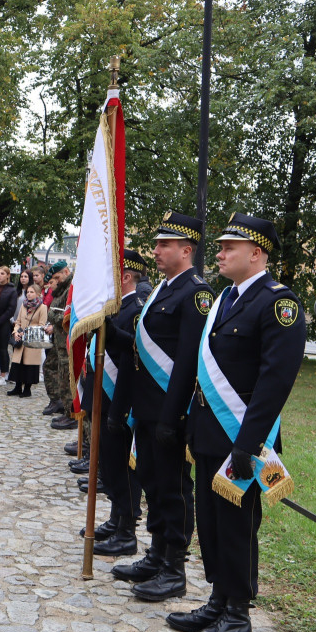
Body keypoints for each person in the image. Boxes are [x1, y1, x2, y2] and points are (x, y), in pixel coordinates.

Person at [169, 214, 305, 632]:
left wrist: (248, 444)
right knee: (209, 522)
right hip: (209, 430)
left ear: (257, 253)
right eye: (222, 246)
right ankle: (218, 598)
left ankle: (238, 614)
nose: (221, 253)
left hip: (242, 436)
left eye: (230, 247)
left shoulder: (279, 305)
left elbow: (274, 382)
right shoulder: (226, 298)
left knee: (236, 525)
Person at [110, 211, 214, 604]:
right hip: (147, 409)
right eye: (156, 244)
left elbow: (189, 360)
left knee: (173, 489)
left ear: (186, 250)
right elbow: (139, 349)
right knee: (153, 484)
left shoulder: (195, 293)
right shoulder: (162, 291)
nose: (156, 251)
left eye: (164, 244)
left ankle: (174, 567)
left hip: (170, 411)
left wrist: (172, 417)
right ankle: (155, 554)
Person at [83, 250, 150, 558]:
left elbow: (135, 354)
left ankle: (126, 528)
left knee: (123, 467)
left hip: (122, 398)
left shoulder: (135, 308)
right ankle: (115, 517)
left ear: (124, 276)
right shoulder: (115, 307)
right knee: (109, 465)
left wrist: (109, 332)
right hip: (106, 396)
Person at [7, 285, 48, 397]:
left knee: (29, 365)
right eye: (28, 292)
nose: (29, 294)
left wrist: (26, 333)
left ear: (38, 294)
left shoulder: (42, 307)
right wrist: (15, 332)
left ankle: (27, 389)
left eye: (32, 292)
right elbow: (18, 321)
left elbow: (41, 325)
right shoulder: (23, 305)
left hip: (32, 339)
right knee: (18, 364)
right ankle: (17, 387)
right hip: (20, 339)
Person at [41, 262, 70, 419]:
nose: (55, 283)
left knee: (66, 375)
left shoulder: (71, 288)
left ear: (66, 272)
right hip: (59, 339)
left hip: (66, 339)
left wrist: (54, 318)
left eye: (57, 278)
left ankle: (69, 411)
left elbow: (71, 314)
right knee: (51, 366)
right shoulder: (62, 289)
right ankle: (57, 401)